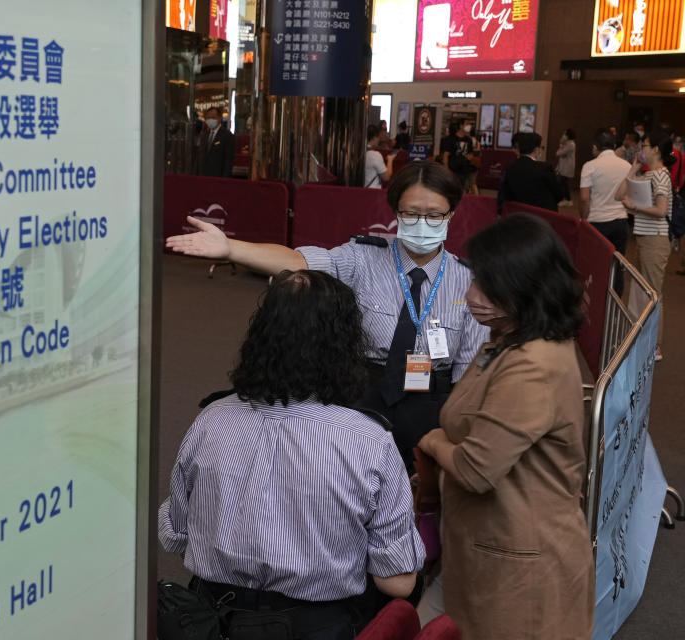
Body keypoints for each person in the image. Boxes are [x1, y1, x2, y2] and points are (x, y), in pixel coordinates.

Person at [165, 161, 490, 471]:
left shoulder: (467, 279)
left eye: (434, 215)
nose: (423, 224)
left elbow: (468, 375)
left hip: (430, 404)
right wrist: (232, 249)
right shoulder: (362, 257)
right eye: (412, 213)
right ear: (395, 213)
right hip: (363, 397)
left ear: (452, 214)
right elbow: (299, 261)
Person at [159, 270, 425, 638]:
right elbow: (397, 583)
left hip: (211, 620)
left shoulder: (211, 420)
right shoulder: (370, 441)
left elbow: (174, 535)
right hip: (316, 627)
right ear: (346, 345)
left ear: (259, 338)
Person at [417, 213, 594, 640]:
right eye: (475, 280)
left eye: (488, 286)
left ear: (528, 289)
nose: (472, 295)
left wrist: (434, 443)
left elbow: (477, 470)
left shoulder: (532, 364)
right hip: (480, 553)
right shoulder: (508, 336)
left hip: (519, 569)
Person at [616, 128, 675, 360]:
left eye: (644, 146)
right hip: (643, 238)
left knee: (652, 293)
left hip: (655, 240)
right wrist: (633, 168)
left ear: (656, 149)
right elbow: (618, 194)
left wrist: (636, 207)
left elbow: (661, 211)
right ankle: (641, 339)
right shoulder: (648, 174)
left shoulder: (661, 174)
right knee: (642, 291)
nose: (641, 150)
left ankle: (655, 346)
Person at [579, 129, 631, 294]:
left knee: (594, 266)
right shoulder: (627, 166)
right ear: (614, 146)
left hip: (596, 223)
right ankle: (615, 308)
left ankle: (595, 303)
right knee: (617, 267)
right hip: (620, 222)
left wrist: (584, 218)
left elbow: (584, 198)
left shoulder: (590, 166)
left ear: (595, 146)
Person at [497, 132, 568, 212]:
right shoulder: (544, 168)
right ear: (536, 150)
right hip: (543, 217)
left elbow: (505, 193)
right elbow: (559, 194)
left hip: (518, 214)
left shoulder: (510, 167)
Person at [197, 106, 234, 178]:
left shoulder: (227, 136)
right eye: (208, 118)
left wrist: (224, 181)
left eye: (213, 118)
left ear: (220, 118)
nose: (210, 120)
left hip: (218, 178)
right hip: (203, 177)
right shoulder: (204, 135)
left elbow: (228, 162)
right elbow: (200, 157)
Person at [441, 120, 474, 191]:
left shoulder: (469, 140)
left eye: (470, 124)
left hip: (465, 170)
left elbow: (471, 153)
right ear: (461, 126)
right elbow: (446, 155)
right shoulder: (451, 139)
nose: (469, 126)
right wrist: (446, 169)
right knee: (452, 189)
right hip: (453, 169)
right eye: (467, 124)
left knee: (463, 189)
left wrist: (470, 156)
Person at [365, 124, 399, 188]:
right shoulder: (375, 155)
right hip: (373, 192)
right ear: (375, 138)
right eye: (378, 137)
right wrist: (390, 160)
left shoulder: (361, 152)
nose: (379, 140)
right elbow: (386, 177)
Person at [555, 129, 577, 205]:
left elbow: (559, 153)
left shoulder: (571, 144)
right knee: (563, 183)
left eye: (564, 134)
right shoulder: (567, 143)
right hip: (564, 166)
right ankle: (566, 199)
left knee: (564, 184)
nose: (563, 135)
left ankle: (567, 200)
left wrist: (560, 145)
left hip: (567, 167)